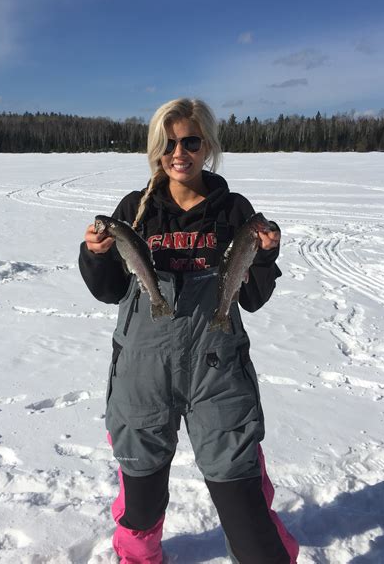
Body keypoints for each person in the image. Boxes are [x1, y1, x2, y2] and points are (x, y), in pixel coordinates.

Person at [79, 98, 299, 564]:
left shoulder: (234, 210)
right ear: (156, 149)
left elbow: (253, 299)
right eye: (169, 143)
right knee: (140, 506)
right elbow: (109, 291)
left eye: (191, 141)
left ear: (208, 147)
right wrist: (97, 254)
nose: (180, 153)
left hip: (218, 373)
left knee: (246, 511)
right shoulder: (134, 211)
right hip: (142, 373)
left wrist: (264, 256)